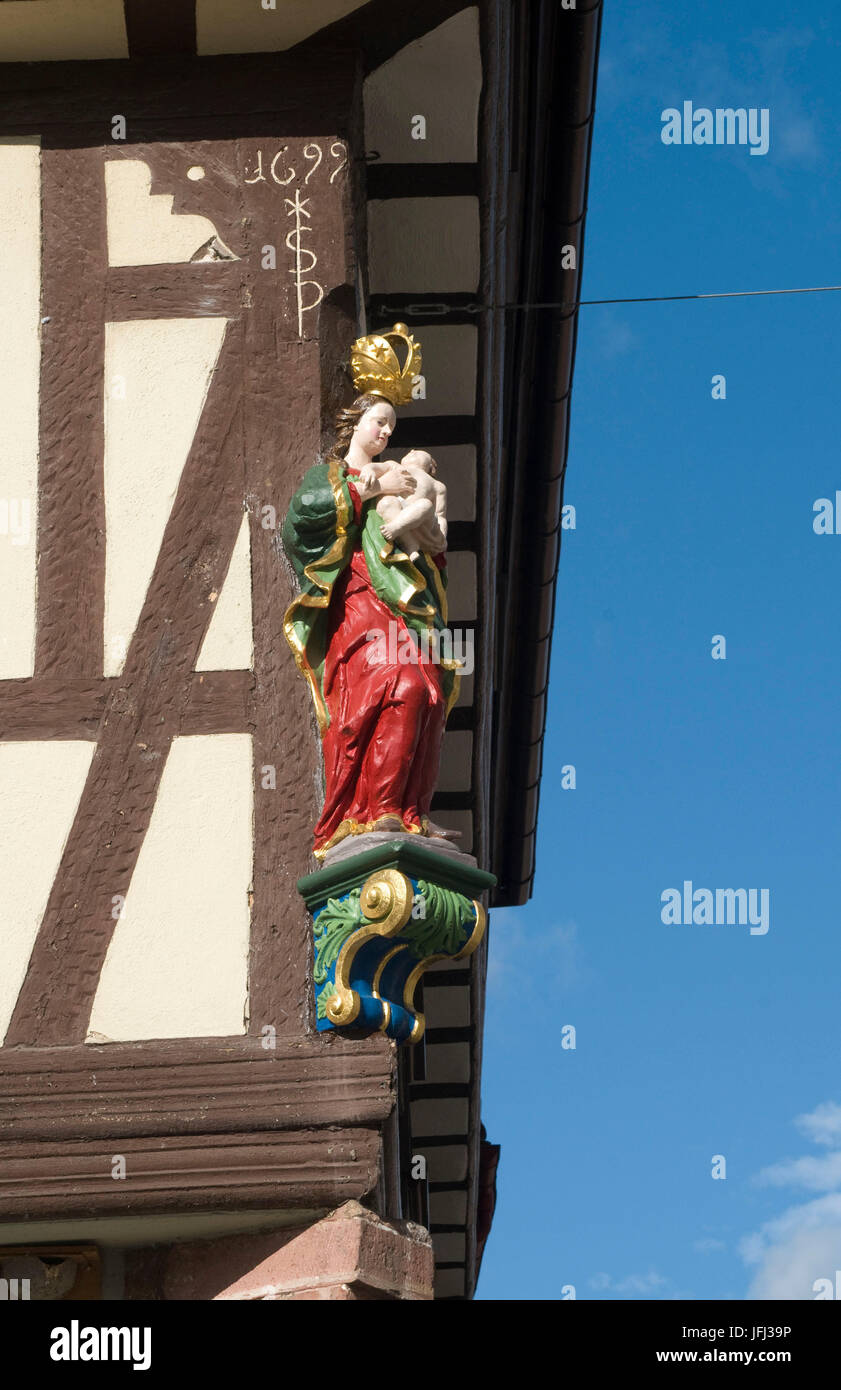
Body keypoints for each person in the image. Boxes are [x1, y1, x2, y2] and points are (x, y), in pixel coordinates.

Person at [282, 394, 461, 859]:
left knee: (431, 690)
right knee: (397, 684)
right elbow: (303, 517)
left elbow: (431, 539)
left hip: (402, 595)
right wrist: (376, 490)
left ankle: (410, 812)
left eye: (390, 427)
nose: (385, 433)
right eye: (378, 422)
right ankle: (369, 809)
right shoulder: (333, 473)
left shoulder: (402, 476)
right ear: (355, 424)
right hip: (359, 594)